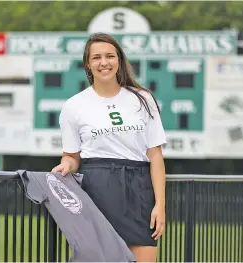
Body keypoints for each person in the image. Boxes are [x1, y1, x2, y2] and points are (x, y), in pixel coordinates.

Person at [52, 32, 167, 262]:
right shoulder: (74, 106)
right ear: (88, 64)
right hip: (96, 190)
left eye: (109, 56)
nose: (103, 62)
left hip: (138, 191)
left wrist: (160, 205)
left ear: (119, 60)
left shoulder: (143, 99)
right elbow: (72, 156)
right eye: (96, 57)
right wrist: (65, 165)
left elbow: (155, 156)